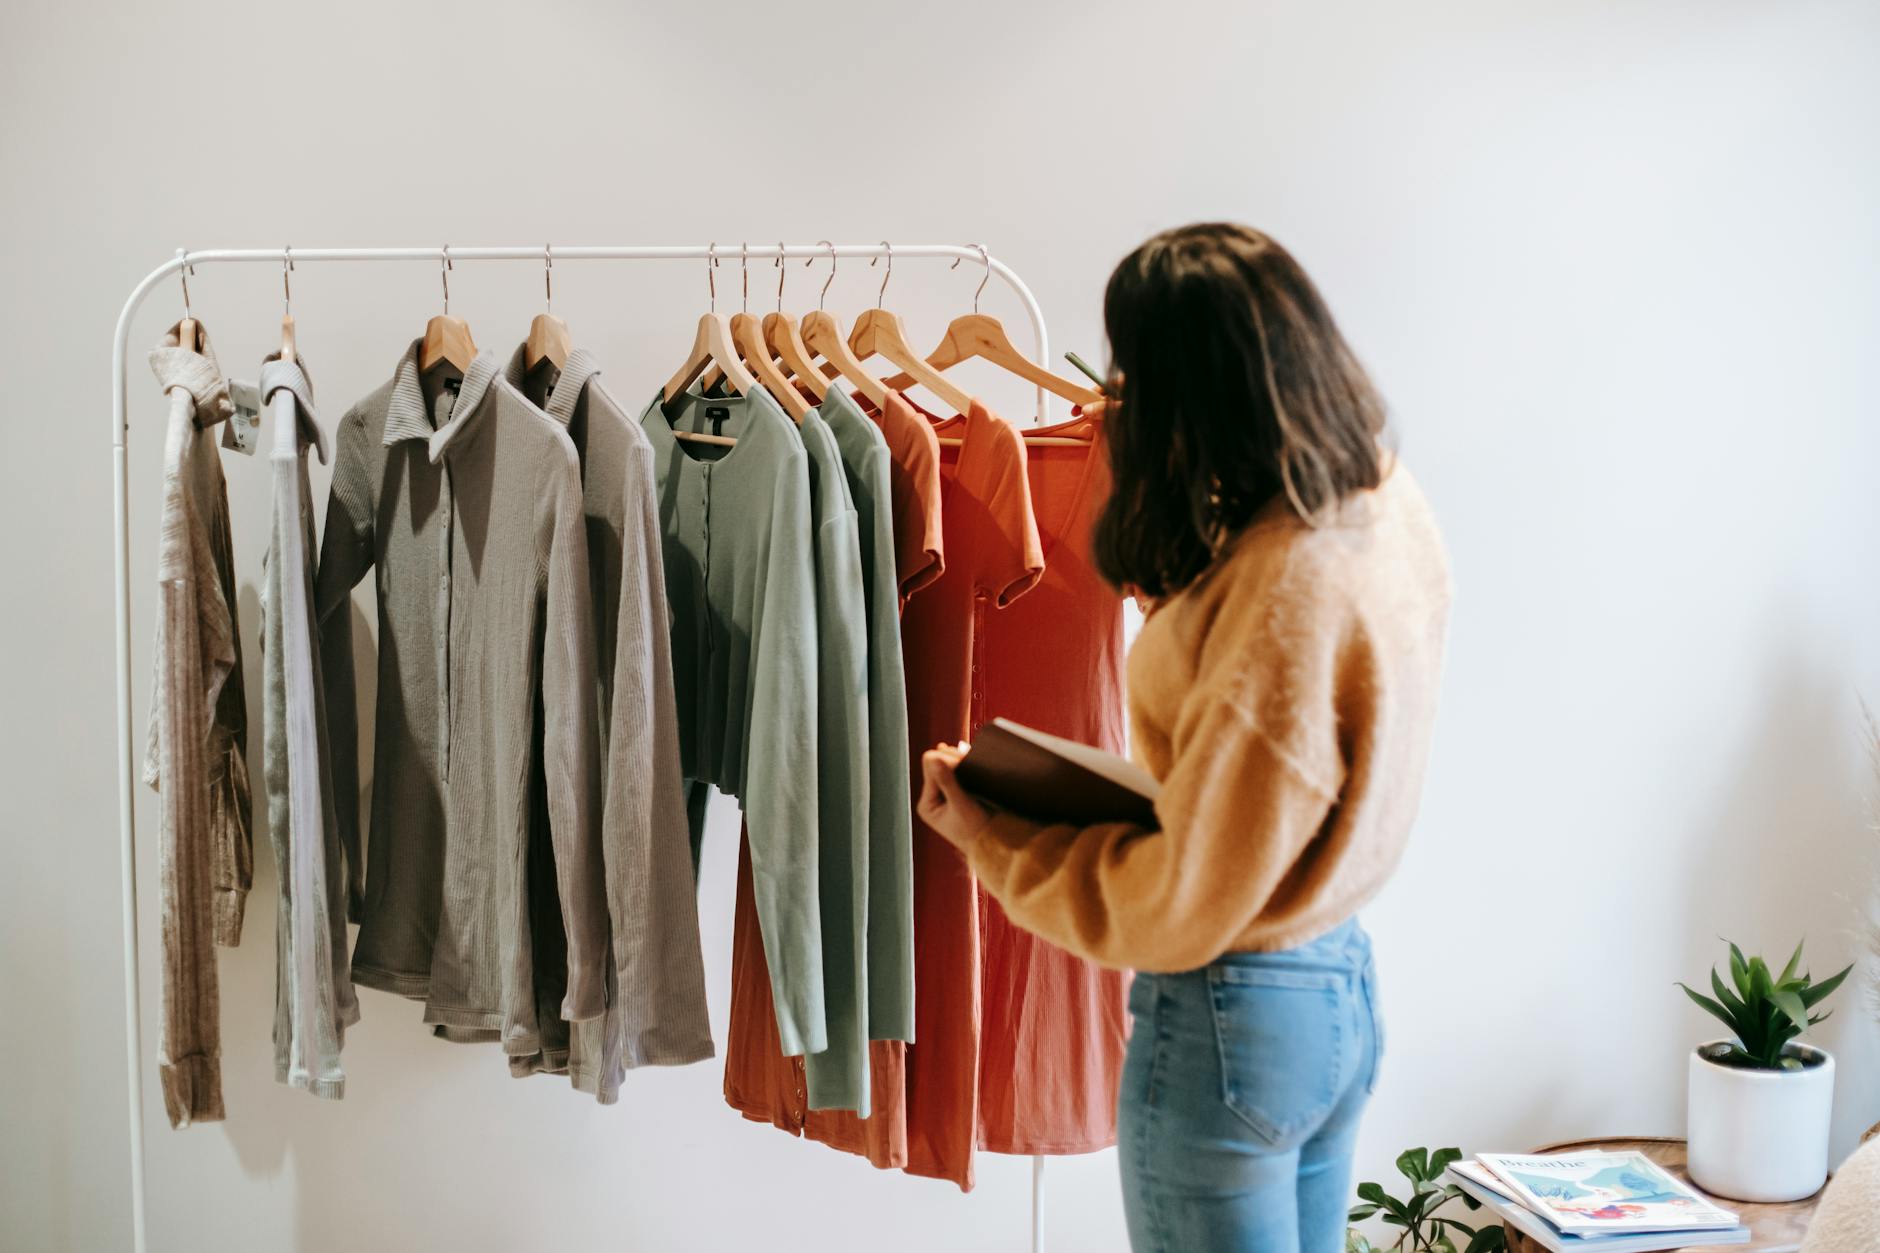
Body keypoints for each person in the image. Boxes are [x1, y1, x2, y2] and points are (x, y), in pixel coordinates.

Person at [918, 222, 1453, 1253]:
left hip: (1229, 1014)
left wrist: (992, 836)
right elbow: (1278, 781)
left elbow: (1179, 906)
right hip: (1334, 987)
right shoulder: (1376, 505)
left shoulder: (1277, 593)